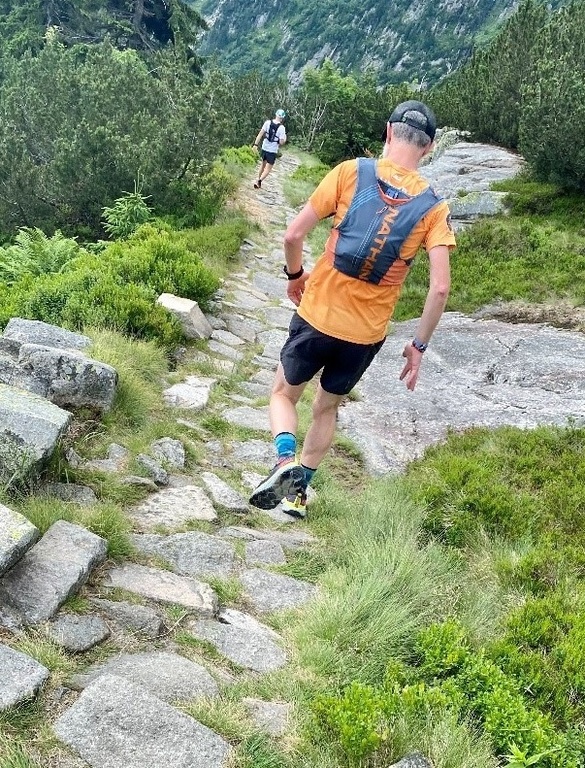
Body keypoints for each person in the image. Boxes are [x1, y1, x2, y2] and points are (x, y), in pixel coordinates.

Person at [249, 100, 456, 519]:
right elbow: (440, 289)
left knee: (282, 394)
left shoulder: (350, 172)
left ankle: (284, 461)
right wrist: (417, 345)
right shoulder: (434, 208)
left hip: (317, 314)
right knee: (327, 407)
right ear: (429, 148)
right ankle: (297, 494)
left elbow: (293, 234)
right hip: (365, 335)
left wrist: (295, 276)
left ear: (388, 132)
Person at [252, 109, 287, 189]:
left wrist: (255, 144)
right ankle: (259, 181)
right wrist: (285, 139)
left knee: (263, 164)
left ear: (276, 115)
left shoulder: (267, 123)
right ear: (282, 118)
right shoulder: (282, 128)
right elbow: (281, 142)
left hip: (265, 147)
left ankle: (258, 179)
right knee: (268, 168)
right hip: (272, 150)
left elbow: (261, 133)